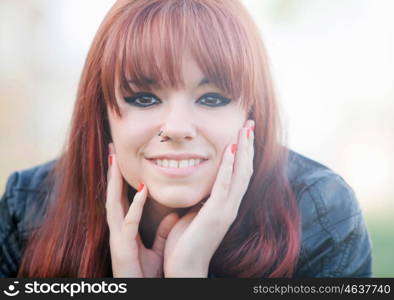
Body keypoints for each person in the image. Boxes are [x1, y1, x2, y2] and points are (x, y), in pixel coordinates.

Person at [0, 0, 372, 278]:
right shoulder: (29, 209)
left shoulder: (320, 215)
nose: (177, 127)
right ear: (102, 112)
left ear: (250, 113)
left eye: (212, 98)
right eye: (144, 98)